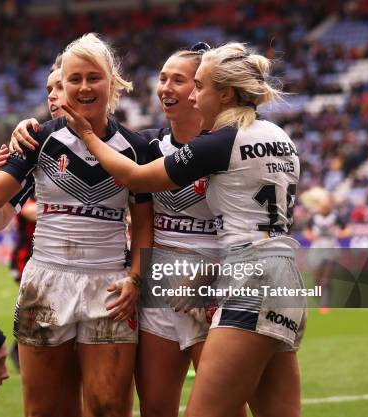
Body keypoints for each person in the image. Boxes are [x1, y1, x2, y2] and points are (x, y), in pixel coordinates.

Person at [62, 42, 306, 417]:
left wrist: (88, 136)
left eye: (199, 86)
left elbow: (136, 178)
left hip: (247, 279)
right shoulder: (277, 135)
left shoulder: (221, 141)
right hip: (283, 274)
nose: (193, 96)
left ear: (225, 93)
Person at [7, 43, 225, 417]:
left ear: (202, 89)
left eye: (179, 80)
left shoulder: (228, 147)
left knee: (221, 406)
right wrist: (31, 127)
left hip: (210, 284)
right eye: (162, 79)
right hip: (158, 286)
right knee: (153, 408)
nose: (166, 88)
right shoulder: (151, 146)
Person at [0, 33, 152, 417]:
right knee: (45, 410)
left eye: (93, 77)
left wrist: (136, 278)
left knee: (109, 407)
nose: (84, 87)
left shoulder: (137, 148)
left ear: (112, 83)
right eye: (74, 79)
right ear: (61, 87)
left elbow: (146, 226)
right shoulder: (38, 139)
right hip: (47, 282)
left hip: (109, 285)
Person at [301, 187, 351, 312]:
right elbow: (306, 231)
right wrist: (310, 236)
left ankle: (325, 304)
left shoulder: (336, 217)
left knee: (326, 279)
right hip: (317, 249)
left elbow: (347, 230)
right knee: (317, 279)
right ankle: (321, 298)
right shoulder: (314, 217)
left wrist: (340, 233)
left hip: (331, 249)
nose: (325, 206)